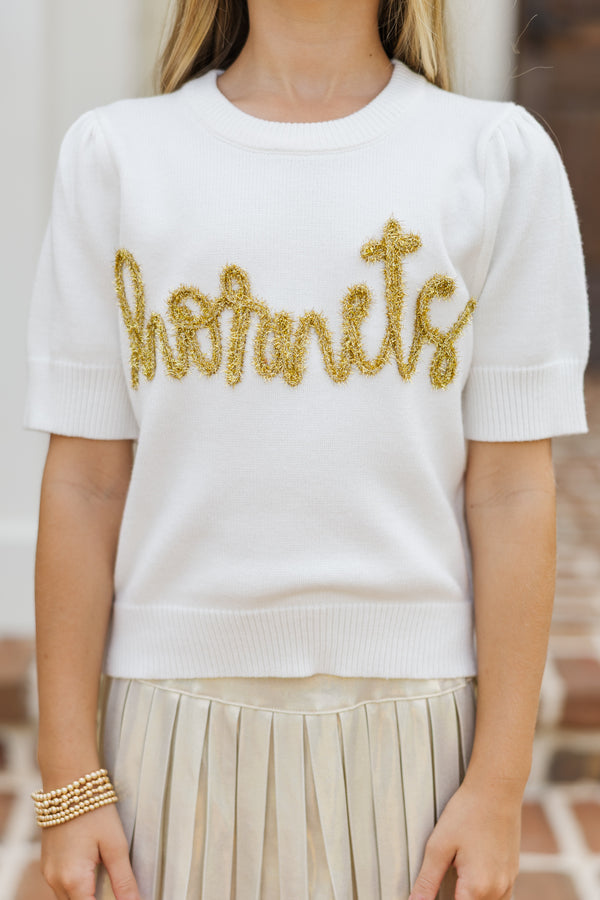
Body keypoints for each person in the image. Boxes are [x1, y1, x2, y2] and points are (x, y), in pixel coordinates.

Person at [23, 0, 590, 898]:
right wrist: (68, 779)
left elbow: (512, 490)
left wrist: (497, 782)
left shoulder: (497, 158)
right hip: (166, 727)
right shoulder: (117, 157)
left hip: (414, 731)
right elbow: (86, 484)